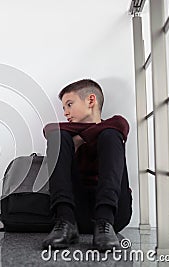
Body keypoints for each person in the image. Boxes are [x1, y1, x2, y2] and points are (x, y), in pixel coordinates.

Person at [41, 79, 132, 251]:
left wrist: (82, 138)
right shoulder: (66, 135)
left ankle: (104, 222)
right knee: (59, 138)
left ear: (91, 100)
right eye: (63, 108)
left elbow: (120, 123)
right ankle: (64, 221)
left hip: (114, 215)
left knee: (111, 135)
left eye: (69, 104)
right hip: (75, 214)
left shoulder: (112, 128)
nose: (66, 113)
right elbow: (49, 130)